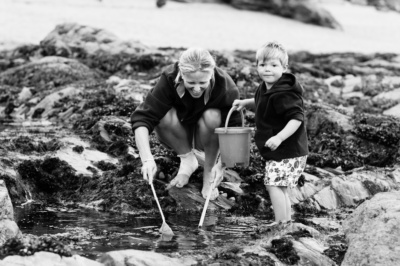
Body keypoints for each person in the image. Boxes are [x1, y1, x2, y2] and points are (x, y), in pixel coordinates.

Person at [131, 47, 241, 200]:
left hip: (208, 137)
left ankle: (208, 171)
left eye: (203, 82)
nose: (196, 89)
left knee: (212, 116)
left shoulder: (226, 88)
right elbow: (142, 118)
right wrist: (147, 159)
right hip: (179, 134)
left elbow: (235, 131)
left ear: (211, 73)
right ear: (181, 75)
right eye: (191, 82)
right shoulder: (169, 78)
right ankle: (188, 160)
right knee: (162, 114)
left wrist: (221, 166)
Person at [232, 41, 308, 223]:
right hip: (282, 151)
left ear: (284, 67)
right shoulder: (266, 87)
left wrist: (279, 137)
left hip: (288, 150)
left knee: (274, 185)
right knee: (279, 187)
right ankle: (285, 222)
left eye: (274, 65)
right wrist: (246, 103)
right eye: (263, 65)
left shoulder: (285, 93)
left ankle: (280, 224)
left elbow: (297, 118)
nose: (267, 69)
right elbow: (261, 100)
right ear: (257, 66)